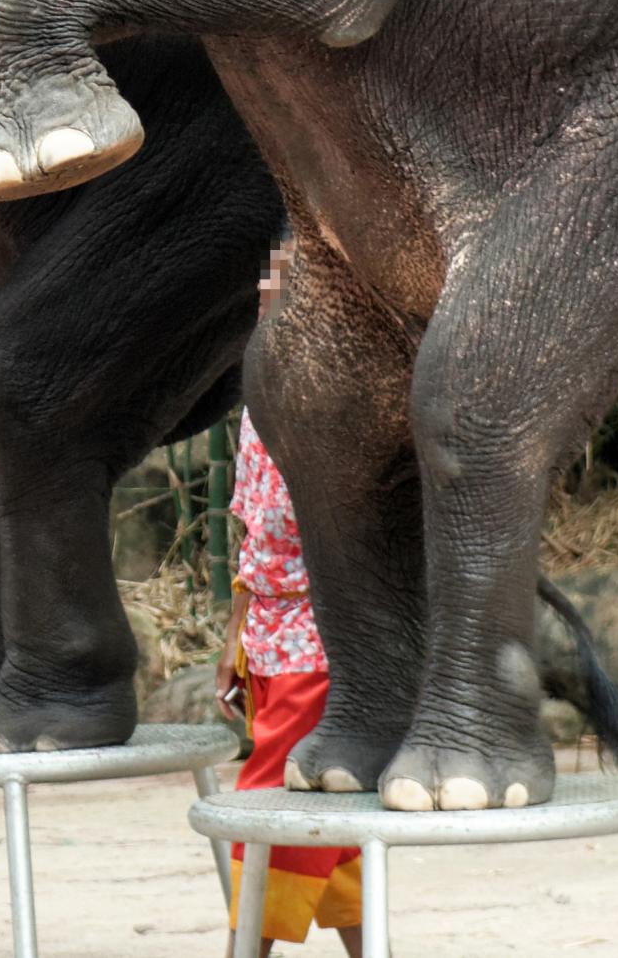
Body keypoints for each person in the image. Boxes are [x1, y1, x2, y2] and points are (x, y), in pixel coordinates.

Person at [218, 237, 359, 956]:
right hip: (269, 634)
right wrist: (232, 642)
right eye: (270, 277)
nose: (271, 289)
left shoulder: (335, 390)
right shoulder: (259, 388)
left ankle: (247, 950)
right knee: (316, 805)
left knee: (273, 797)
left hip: (321, 629)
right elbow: (253, 528)